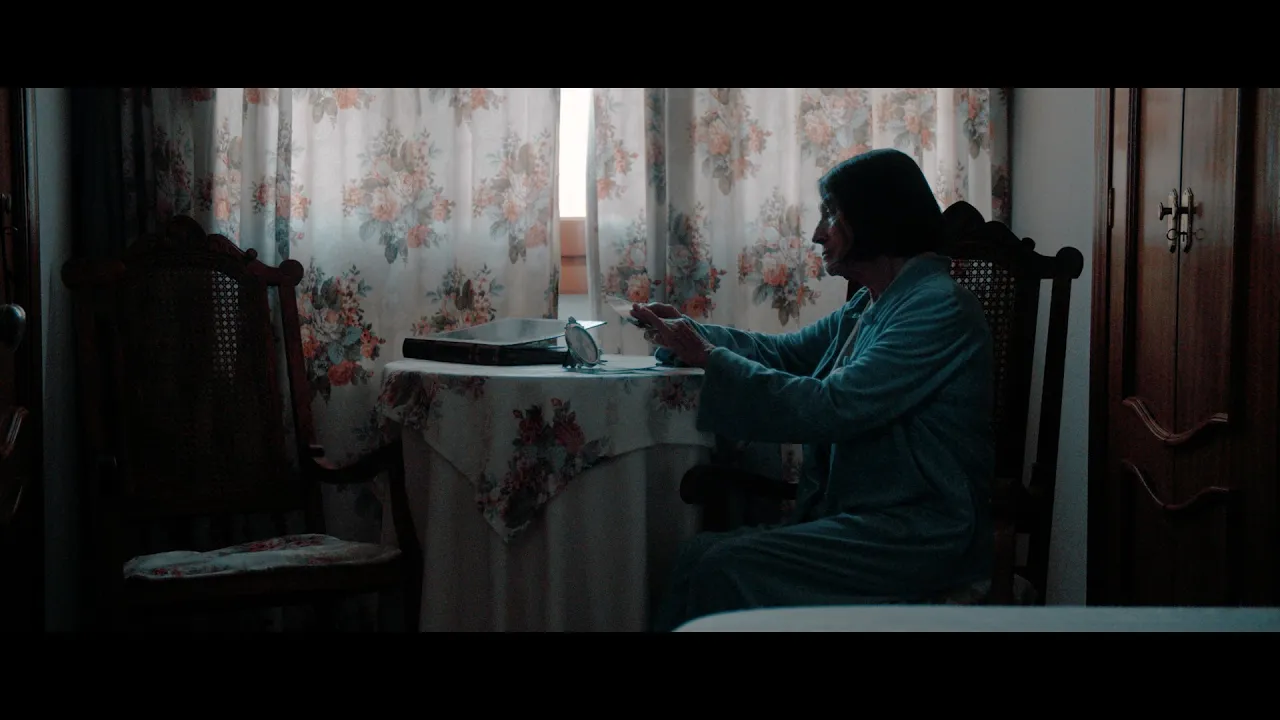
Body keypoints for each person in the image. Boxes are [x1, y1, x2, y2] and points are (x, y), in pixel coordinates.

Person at [631, 148, 995, 632]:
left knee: (722, 565)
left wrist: (707, 356)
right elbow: (784, 353)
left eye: (832, 215)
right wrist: (694, 335)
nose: (818, 233)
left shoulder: (937, 307)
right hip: (865, 519)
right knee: (698, 554)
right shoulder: (873, 303)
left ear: (875, 218)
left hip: (920, 533)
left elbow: (831, 406)